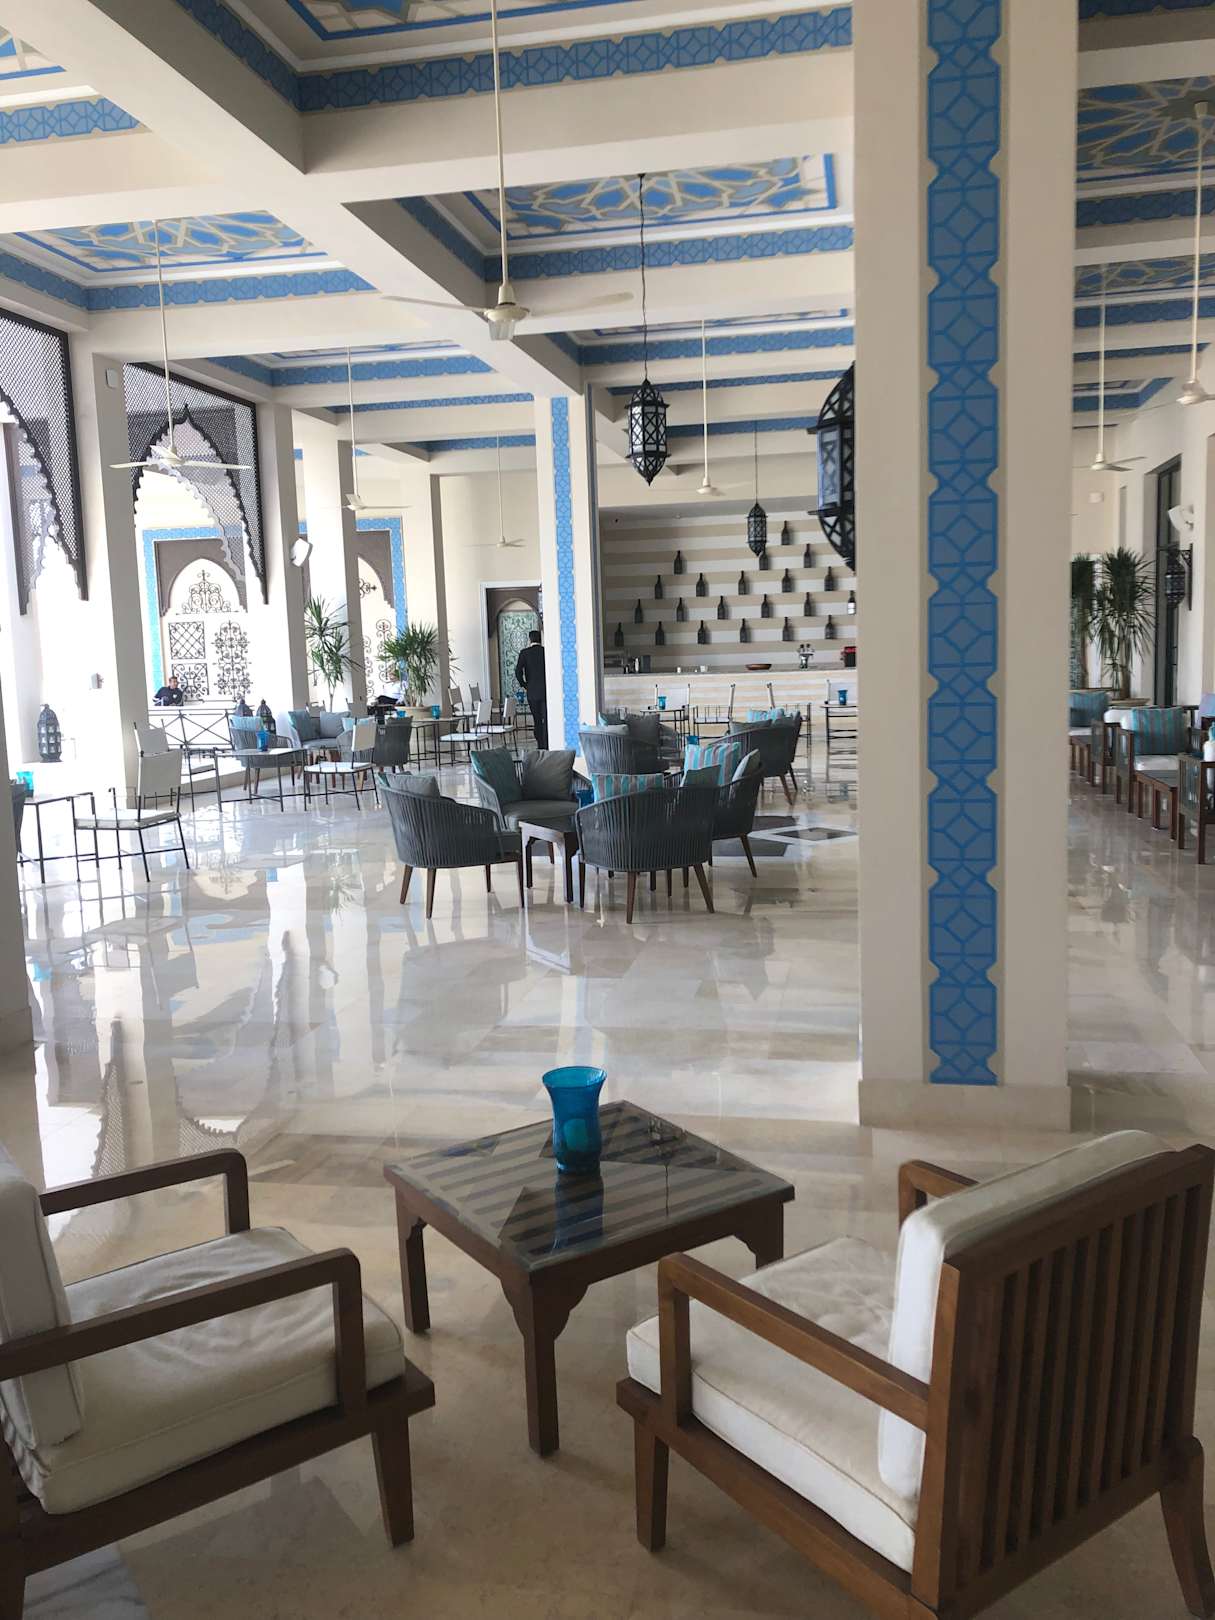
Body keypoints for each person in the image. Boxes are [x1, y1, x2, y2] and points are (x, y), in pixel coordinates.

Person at [514, 628, 548, 750]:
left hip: (532, 692)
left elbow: (518, 671)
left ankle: (540, 745)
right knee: (546, 719)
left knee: (537, 720)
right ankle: (547, 743)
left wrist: (525, 685)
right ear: (540, 639)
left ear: (530, 640)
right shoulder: (546, 651)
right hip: (546, 692)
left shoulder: (525, 653)